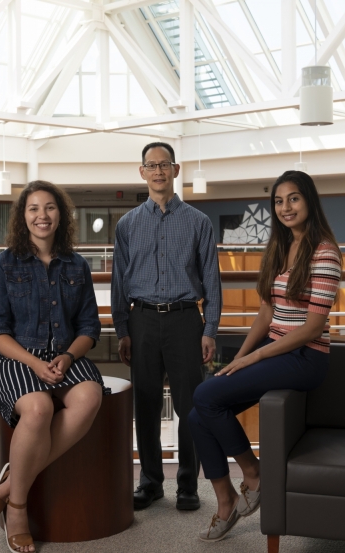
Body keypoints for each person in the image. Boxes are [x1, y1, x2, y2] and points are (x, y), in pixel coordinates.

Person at [188, 170, 342, 542]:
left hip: (305, 358)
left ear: (309, 201)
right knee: (198, 416)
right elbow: (265, 314)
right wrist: (239, 358)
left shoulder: (325, 252)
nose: (285, 207)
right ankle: (225, 500)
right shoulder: (278, 246)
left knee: (204, 395)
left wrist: (255, 360)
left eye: (294, 199)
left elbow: (311, 328)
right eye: (279, 200)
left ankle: (254, 474)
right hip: (276, 353)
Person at [0, 180, 110, 553]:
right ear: (23, 217)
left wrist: (68, 356)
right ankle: (18, 508)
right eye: (34, 208)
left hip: (66, 356)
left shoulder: (76, 264)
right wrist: (35, 363)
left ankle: (7, 488)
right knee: (37, 407)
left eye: (50, 207)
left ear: (61, 215)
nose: (42, 215)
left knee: (88, 398)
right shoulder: (5, 263)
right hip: (15, 357)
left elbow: (89, 328)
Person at [111, 142, 222, 512]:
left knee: (190, 407)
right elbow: (117, 283)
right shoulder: (127, 225)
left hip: (185, 319)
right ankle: (151, 482)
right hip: (140, 319)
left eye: (165, 165)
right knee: (145, 404)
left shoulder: (198, 222)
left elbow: (212, 280)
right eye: (151, 165)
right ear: (141, 172)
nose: (158, 171)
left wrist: (210, 331)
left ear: (176, 170)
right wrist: (122, 329)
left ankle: (188, 485)